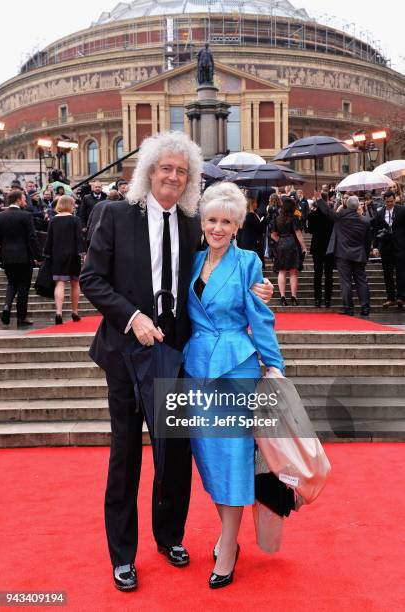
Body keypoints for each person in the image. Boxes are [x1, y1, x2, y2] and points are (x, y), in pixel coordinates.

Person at [79, 131, 273, 592]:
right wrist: (132, 317)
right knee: (125, 455)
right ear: (148, 170)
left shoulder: (192, 223)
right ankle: (122, 555)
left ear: (189, 180)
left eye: (181, 171)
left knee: (173, 453)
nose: (172, 176)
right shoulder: (113, 214)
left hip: (175, 353)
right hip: (125, 353)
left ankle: (169, 537)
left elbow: (222, 271)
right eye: (165, 167)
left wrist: (258, 290)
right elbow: (90, 277)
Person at [184, 181, 284, 589]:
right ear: (202, 222)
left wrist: (274, 365)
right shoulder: (190, 263)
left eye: (227, 221)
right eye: (212, 220)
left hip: (236, 368)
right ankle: (227, 535)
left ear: (239, 225)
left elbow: (260, 318)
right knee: (208, 459)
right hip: (196, 371)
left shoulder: (248, 265)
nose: (218, 228)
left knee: (233, 457)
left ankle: (228, 545)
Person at [316, 194, 372, 316]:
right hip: (359, 255)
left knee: (346, 282)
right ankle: (365, 308)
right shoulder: (365, 221)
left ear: (346, 204)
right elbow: (368, 242)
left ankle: (348, 308)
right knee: (361, 281)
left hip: (343, 254)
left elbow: (328, 212)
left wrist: (319, 199)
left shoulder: (341, 216)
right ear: (358, 206)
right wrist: (365, 255)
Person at [0, 190, 42, 328]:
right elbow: (32, 238)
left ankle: (6, 306)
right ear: (17, 200)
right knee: (23, 286)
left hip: (6, 256)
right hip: (24, 256)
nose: (25, 201)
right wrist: (39, 256)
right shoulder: (26, 215)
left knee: (12, 283)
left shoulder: (0, 216)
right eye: (24, 199)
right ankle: (21, 317)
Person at [44, 195, 84, 325]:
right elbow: (79, 238)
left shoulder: (53, 220)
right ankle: (75, 312)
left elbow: (49, 239)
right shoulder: (75, 220)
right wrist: (83, 253)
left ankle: (58, 313)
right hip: (73, 254)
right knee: (75, 283)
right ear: (70, 205)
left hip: (57, 255)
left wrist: (46, 254)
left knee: (60, 283)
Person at [271, 197, 307, 306]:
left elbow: (272, 235)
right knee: (293, 272)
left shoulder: (277, 218)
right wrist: (304, 247)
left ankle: (282, 297)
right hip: (293, 245)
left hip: (281, 244)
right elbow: (298, 233)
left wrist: (281, 240)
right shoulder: (294, 218)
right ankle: (293, 297)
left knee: (282, 271)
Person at [372, 191, 405, 308]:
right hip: (386, 248)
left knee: (401, 273)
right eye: (387, 202)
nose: (390, 204)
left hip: (400, 246)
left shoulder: (402, 210)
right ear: (384, 201)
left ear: (395, 199)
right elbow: (376, 230)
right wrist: (375, 246)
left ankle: (401, 297)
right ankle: (390, 298)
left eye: (391, 201)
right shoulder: (379, 213)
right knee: (387, 274)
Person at [308, 192, 334, 308]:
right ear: (327, 200)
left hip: (317, 246)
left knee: (317, 273)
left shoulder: (312, 215)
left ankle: (317, 299)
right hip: (328, 247)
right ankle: (328, 299)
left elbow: (310, 230)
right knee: (329, 274)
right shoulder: (331, 215)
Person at [239, 190, 267, 265]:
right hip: (253, 243)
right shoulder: (252, 216)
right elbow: (260, 229)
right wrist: (264, 221)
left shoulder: (244, 215)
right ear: (252, 204)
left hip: (245, 242)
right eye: (255, 202)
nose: (257, 204)